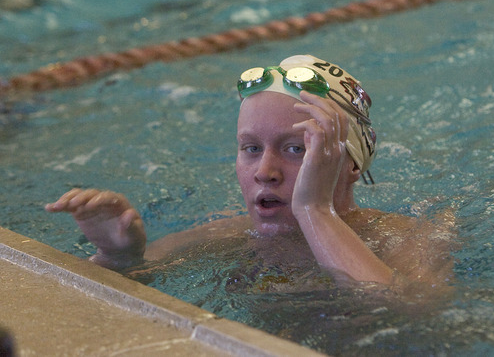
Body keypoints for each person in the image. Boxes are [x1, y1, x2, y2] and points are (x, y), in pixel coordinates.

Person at [45, 55, 455, 292]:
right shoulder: (223, 237)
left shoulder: (413, 236)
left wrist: (314, 209)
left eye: (296, 149)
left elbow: (408, 314)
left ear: (350, 163)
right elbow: (102, 293)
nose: (265, 172)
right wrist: (119, 256)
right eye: (251, 149)